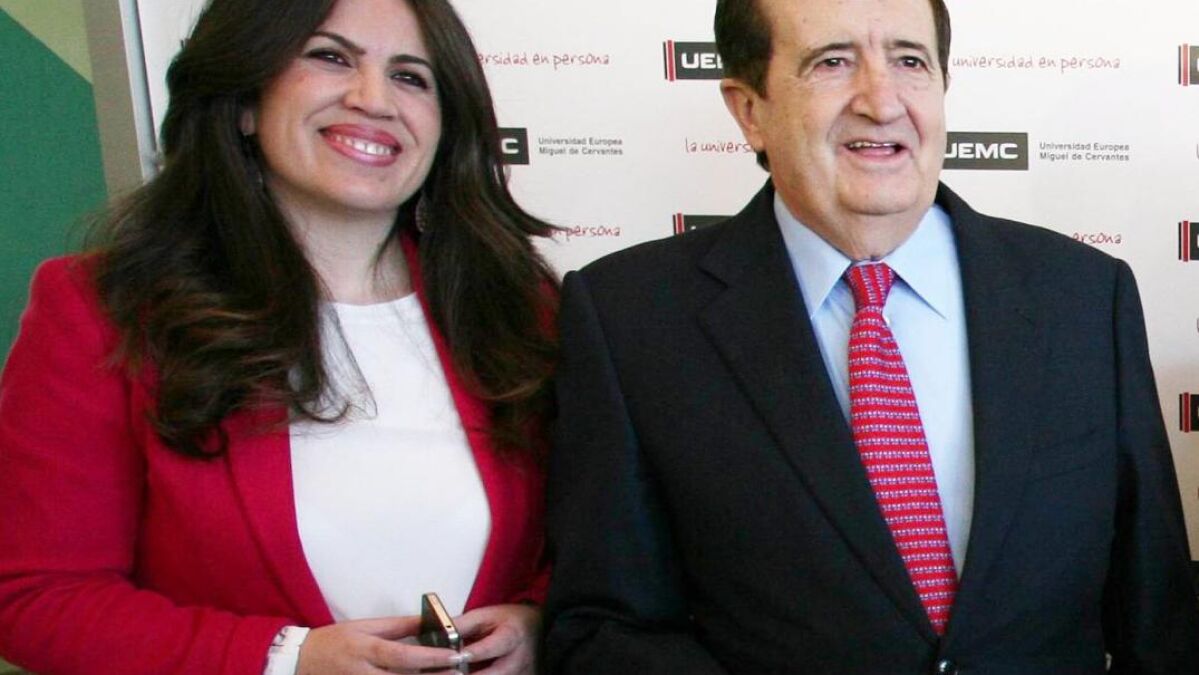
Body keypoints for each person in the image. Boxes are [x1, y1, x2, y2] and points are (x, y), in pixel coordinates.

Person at [543, 0, 1199, 672]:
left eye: (910, 61)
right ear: (749, 110)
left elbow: (1157, 615)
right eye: (832, 62)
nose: (881, 102)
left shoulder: (1083, 294)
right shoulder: (629, 318)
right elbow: (603, 627)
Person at [0, 0, 558, 673]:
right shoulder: (106, 308)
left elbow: (599, 542)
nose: (374, 99)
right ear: (244, 101)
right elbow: (35, 597)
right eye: (330, 57)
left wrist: (542, 620)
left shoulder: (519, 309)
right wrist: (287, 659)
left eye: (411, 77)